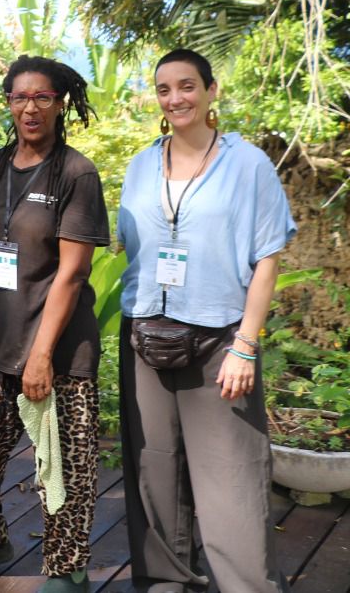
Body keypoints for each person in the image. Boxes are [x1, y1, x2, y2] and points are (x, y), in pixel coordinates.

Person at [117, 49, 294, 593]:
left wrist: (245, 345)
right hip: (146, 332)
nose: (176, 99)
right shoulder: (144, 163)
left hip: (220, 339)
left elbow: (267, 258)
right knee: (154, 470)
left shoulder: (248, 164)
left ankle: (246, 586)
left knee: (230, 478)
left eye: (188, 86)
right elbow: (130, 244)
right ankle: (165, 582)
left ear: (212, 91)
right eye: (165, 89)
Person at [0, 56, 109, 593]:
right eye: (19, 98)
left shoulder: (76, 173)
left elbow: (73, 271)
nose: (30, 108)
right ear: (7, 102)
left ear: (60, 104)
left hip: (56, 349)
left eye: (43, 98)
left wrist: (41, 356)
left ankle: (68, 569)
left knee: (64, 465)